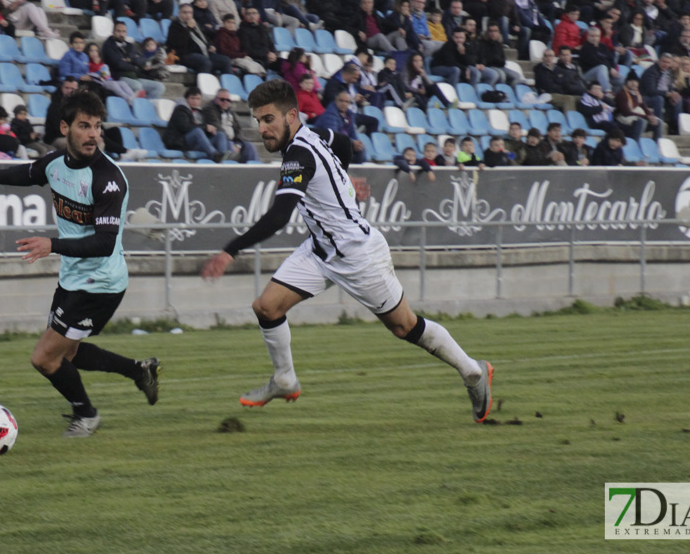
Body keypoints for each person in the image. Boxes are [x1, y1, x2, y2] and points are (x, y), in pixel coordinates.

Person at [200, 79, 493, 422]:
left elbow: (279, 216)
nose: (262, 129)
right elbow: (344, 145)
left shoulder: (297, 155)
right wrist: (340, 178)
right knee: (266, 307)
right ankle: (284, 379)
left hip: (358, 255)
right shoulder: (315, 134)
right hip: (321, 250)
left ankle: (473, 371)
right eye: (259, 121)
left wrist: (229, 251)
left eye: (269, 120)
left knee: (404, 327)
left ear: (291, 116)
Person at [0, 90, 160, 439]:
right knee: (71, 353)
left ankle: (87, 415)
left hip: (101, 281)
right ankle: (140, 371)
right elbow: (25, 173)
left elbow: (104, 242)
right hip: (73, 277)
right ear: (65, 128)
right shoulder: (55, 163)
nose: (93, 134)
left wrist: (52, 244)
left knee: (45, 358)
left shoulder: (108, 178)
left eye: (97, 126)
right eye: (84, 126)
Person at [163, 87, 232, 161]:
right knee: (197, 131)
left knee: (220, 134)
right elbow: (185, 127)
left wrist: (210, 131)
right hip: (179, 143)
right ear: (186, 99)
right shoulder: (180, 110)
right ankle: (214, 155)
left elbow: (201, 128)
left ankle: (223, 158)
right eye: (192, 98)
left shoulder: (198, 112)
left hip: (194, 143)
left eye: (198, 99)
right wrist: (205, 127)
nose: (195, 101)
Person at [101, 22, 166, 99]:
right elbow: (119, 64)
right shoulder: (108, 46)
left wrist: (130, 59)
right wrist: (134, 66)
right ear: (113, 32)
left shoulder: (129, 45)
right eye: (118, 31)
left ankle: (147, 107)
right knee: (137, 86)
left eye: (123, 31)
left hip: (135, 76)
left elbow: (143, 60)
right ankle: (137, 107)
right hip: (119, 77)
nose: (121, 34)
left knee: (159, 87)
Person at [166, 4, 233, 75]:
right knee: (205, 62)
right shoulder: (175, 26)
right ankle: (203, 85)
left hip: (203, 53)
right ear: (179, 13)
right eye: (185, 12)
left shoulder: (196, 24)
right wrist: (189, 28)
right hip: (185, 55)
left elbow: (205, 38)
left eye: (190, 13)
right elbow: (179, 43)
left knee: (226, 61)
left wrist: (210, 45)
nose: (188, 15)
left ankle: (228, 85)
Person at [203, 89, 260, 162]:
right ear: (216, 99)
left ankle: (254, 167)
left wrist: (238, 144)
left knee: (249, 146)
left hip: (233, 140)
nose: (225, 102)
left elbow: (238, 129)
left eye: (228, 100)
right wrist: (231, 143)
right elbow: (217, 127)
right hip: (219, 139)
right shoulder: (209, 109)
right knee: (228, 143)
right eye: (222, 99)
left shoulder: (230, 111)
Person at [44, 78, 80, 150]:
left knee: (99, 142)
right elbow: (58, 128)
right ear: (62, 88)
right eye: (66, 88)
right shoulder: (54, 106)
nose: (69, 91)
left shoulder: (81, 105)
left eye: (72, 88)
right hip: (56, 138)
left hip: (75, 135)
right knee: (76, 145)